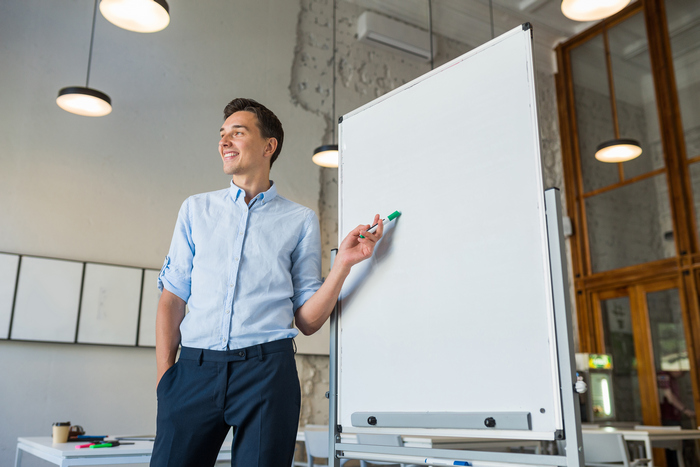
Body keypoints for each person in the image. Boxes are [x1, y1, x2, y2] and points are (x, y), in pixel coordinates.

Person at [150, 98, 383, 467]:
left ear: (268, 146)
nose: (225, 141)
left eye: (237, 133)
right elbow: (173, 298)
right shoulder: (196, 209)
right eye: (222, 135)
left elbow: (307, 321)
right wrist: (166, 380)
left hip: (266, 375)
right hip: (192, 373)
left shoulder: (300, 220)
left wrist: (342, 265)